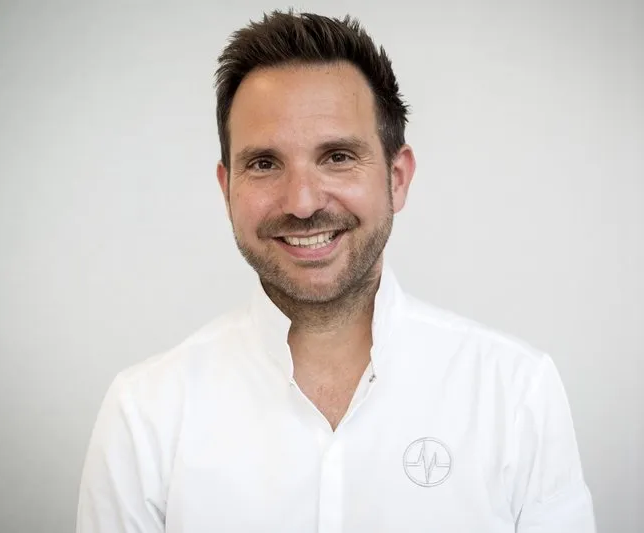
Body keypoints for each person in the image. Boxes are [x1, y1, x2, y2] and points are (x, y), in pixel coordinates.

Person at [76, 10, 596, 533]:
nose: (302, 203)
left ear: (397, 179)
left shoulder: (514, 392)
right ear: (226, 188)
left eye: (338, 156)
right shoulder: (144, 414)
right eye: (263, 163)